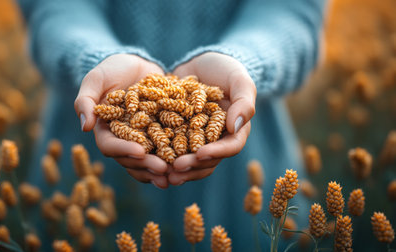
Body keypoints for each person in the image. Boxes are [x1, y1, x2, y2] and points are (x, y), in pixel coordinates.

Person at [18, 0, 326, 250]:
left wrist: (244, 63)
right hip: (86, 173)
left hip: (244, 177)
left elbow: (293, 11)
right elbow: (55, 7)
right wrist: (94, 59)